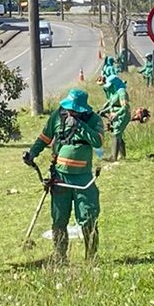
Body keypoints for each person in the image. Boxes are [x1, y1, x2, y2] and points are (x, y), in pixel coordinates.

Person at [23, 88, 103, 263]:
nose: (71, 112)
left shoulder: (94, 120)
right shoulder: (57, 117)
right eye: (70, 108)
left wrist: (80, 126)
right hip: (60, 178)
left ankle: (91, 257)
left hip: (84, 180)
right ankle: (60, 257)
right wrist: (32, 154)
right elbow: (44, 138)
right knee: (59, 219)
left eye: (75, 110)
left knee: (88, 218)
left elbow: (98, 141)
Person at [102, 74, 131, 161]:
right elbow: (112, 105)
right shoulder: (114, 92)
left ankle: (113, 157)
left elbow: (125, 107)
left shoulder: (122, 92)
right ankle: (122, 156)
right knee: (118, 134)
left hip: (122, 115)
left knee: (116, 134)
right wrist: (103, 111)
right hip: (114, 116)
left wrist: (116, 114)